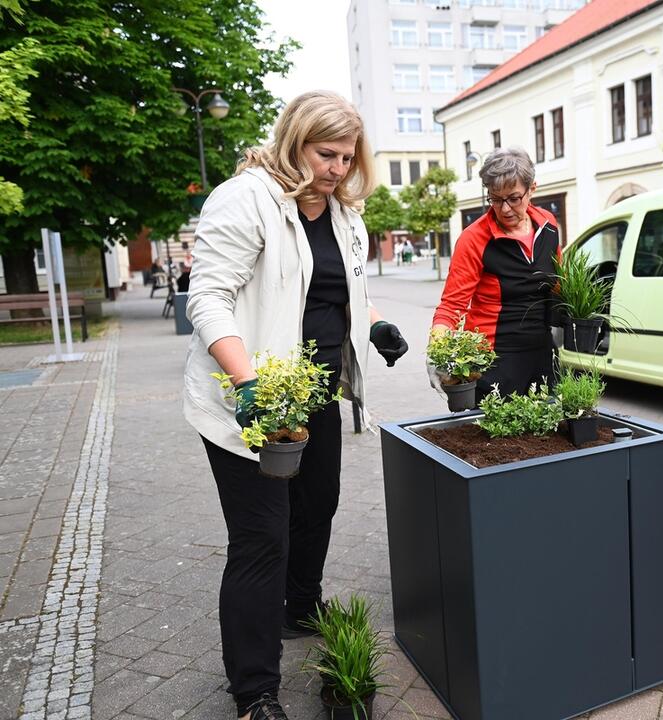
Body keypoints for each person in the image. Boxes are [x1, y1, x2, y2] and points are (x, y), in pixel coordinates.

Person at [181, 91, 409, 720]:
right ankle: (255, 693)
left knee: (316, 508)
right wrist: (247, 383)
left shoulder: (344, 216)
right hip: (249, 400)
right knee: (262, 538)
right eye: (325, 153)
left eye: (347, 157)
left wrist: (376, 325)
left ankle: (300, 610)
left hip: (315, 396)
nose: (337, 168)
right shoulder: (246, 199)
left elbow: (342, 290)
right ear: (293, 142)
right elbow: (208, 299)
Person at [429, 146, 560, 398]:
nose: (505, 208)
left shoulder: (548, 224)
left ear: (532, 189)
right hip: (494, 363)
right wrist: (437, 352)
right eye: (496, 199)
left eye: (514, 198)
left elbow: (557, 282)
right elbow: (452, 305)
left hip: (542, 355)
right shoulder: (474, 239)